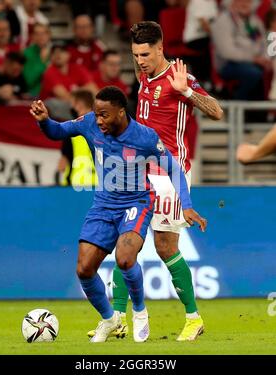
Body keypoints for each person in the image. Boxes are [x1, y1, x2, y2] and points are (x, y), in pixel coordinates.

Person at [30, 86, 207, 342]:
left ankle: (139, 311)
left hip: (136, 202)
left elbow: (173, 168)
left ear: (121, 113)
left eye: (105, 115)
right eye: (96, 114)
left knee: (125, 258)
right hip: (103, 205)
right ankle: (109, 319)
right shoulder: (90, 123)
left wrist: (187, 205)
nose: (99, 120)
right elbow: (58, 132)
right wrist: (45, 121)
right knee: (84, 269)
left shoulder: (145, 137)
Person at [88, 21, 223, 342]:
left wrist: (186, 91)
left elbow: (217, 112)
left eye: (146, 54)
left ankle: (193, 318)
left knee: (165, 247)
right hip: (138, 172)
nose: (140, 60)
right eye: (135, 54)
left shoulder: (180, 78)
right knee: (126, 241)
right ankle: (118, 318)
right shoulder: (143, 76)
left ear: (161, 49)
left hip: (169, 174)